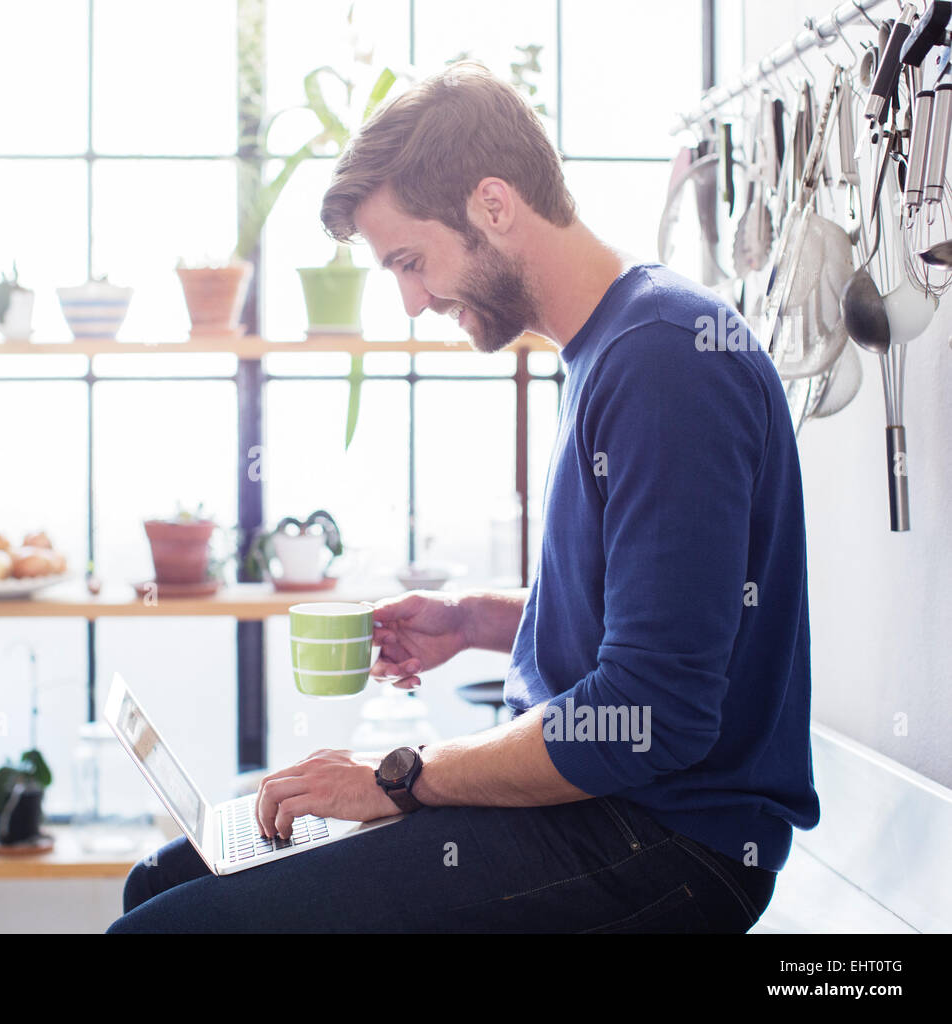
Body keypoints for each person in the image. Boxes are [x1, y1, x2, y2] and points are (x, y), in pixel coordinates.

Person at [107, 61, 819, 934]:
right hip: (599, 812)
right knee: (164, 881)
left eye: (410, 261)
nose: (410, 301)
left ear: (493, 204)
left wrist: (395, 778)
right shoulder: (615, 345)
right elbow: (661, 616)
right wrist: (477, 619)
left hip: (664, 842)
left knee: (161, 931)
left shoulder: (663, 361)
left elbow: (650, 718)